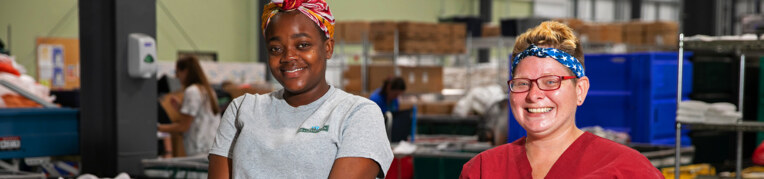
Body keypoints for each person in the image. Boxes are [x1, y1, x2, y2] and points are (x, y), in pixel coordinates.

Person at [207, 0, 393, 178]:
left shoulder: (357, 114)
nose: (289, 57)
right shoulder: (242, 109)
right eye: (275, 49)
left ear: (328, 48)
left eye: (303, 45)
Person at [459, 21, 663, 178]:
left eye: (550, 81)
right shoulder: (482, 169)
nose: (533, 95)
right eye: (522, 83)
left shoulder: (626, 169)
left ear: (580, 90)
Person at [157, 56, 221, 157]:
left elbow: (183, 126)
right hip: (212, 147)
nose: (177, 76)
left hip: (199, 150)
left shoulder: (192, 91)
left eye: (178, 72)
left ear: (185, 71)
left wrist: (158, 128)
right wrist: (181, 108)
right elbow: (199, 117)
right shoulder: (208, 91)